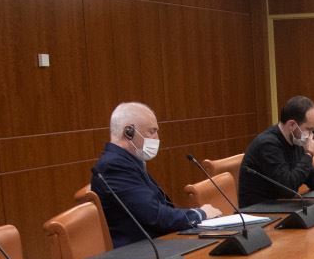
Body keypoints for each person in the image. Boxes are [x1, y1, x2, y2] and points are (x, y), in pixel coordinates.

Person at [92, 102, 219, 247]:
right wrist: (199, 214)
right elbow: (154, 215)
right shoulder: (113, 166)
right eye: (152, 131)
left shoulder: (127, 162)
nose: (157, 138)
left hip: (155, 245)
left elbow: (159, 207)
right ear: (129, 132)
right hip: (139, 254)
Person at [238, 96, 314, 207]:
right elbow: (288, 188)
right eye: (309, 129)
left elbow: (309, 173)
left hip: (281, 206)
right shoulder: (267, 145)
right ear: (292, 125)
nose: (312, 135)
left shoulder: (295, 139)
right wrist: (309, 154)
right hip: (259, 210)